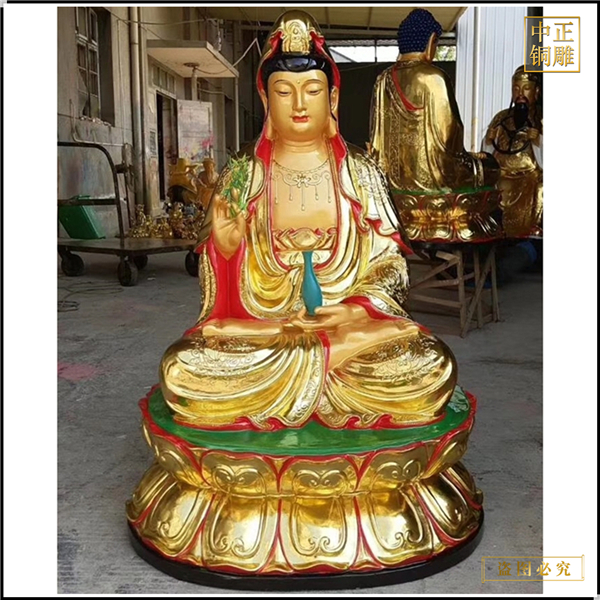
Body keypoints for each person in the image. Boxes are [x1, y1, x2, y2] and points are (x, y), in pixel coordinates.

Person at [159, 10, 457, 431]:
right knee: (183, 369)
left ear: (331, 99)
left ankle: (321, 366)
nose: (299, 104)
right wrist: (226, 251)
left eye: (312, 90)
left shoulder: (360, 174)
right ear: (266, 100)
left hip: (347, 336)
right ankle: (315, 371)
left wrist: (354, 312)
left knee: (431, 365)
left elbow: (390, 265)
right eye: (284, 91)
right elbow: (216, 300)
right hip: (266, 335)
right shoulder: (242, 175)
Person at [369, 8, 499, 193]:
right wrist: (467, 155)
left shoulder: (382, 80)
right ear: (431, 41)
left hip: (390, 181)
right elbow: (450, 134)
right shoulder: (434, 77)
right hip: (436, 178)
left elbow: (375, 139)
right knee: (491, 166)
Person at [484, 66, 543, 238]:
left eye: (526, 88)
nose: (520, 94)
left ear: (536, 92)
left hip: (529, 177)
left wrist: (538, 140)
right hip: (501, 176)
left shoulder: (542, 118)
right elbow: (487, 153)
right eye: (516, 89)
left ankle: (532, 227)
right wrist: (488, 140)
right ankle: (492, 229)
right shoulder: (501, 118)